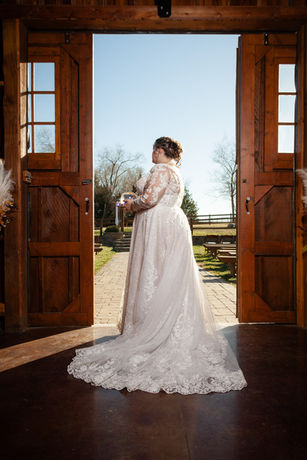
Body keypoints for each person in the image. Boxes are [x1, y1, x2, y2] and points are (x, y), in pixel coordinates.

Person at [67, 137, 247, 395]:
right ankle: (169, 323)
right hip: (169, 223)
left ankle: (154, 328)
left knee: (156, 273)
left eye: (154, 149)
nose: (151, 153)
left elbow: (150, 199)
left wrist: (131, 205)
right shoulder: (175, 171)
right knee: (169, 275)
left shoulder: (162, 170)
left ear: (161, 151)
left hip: (159, 226)